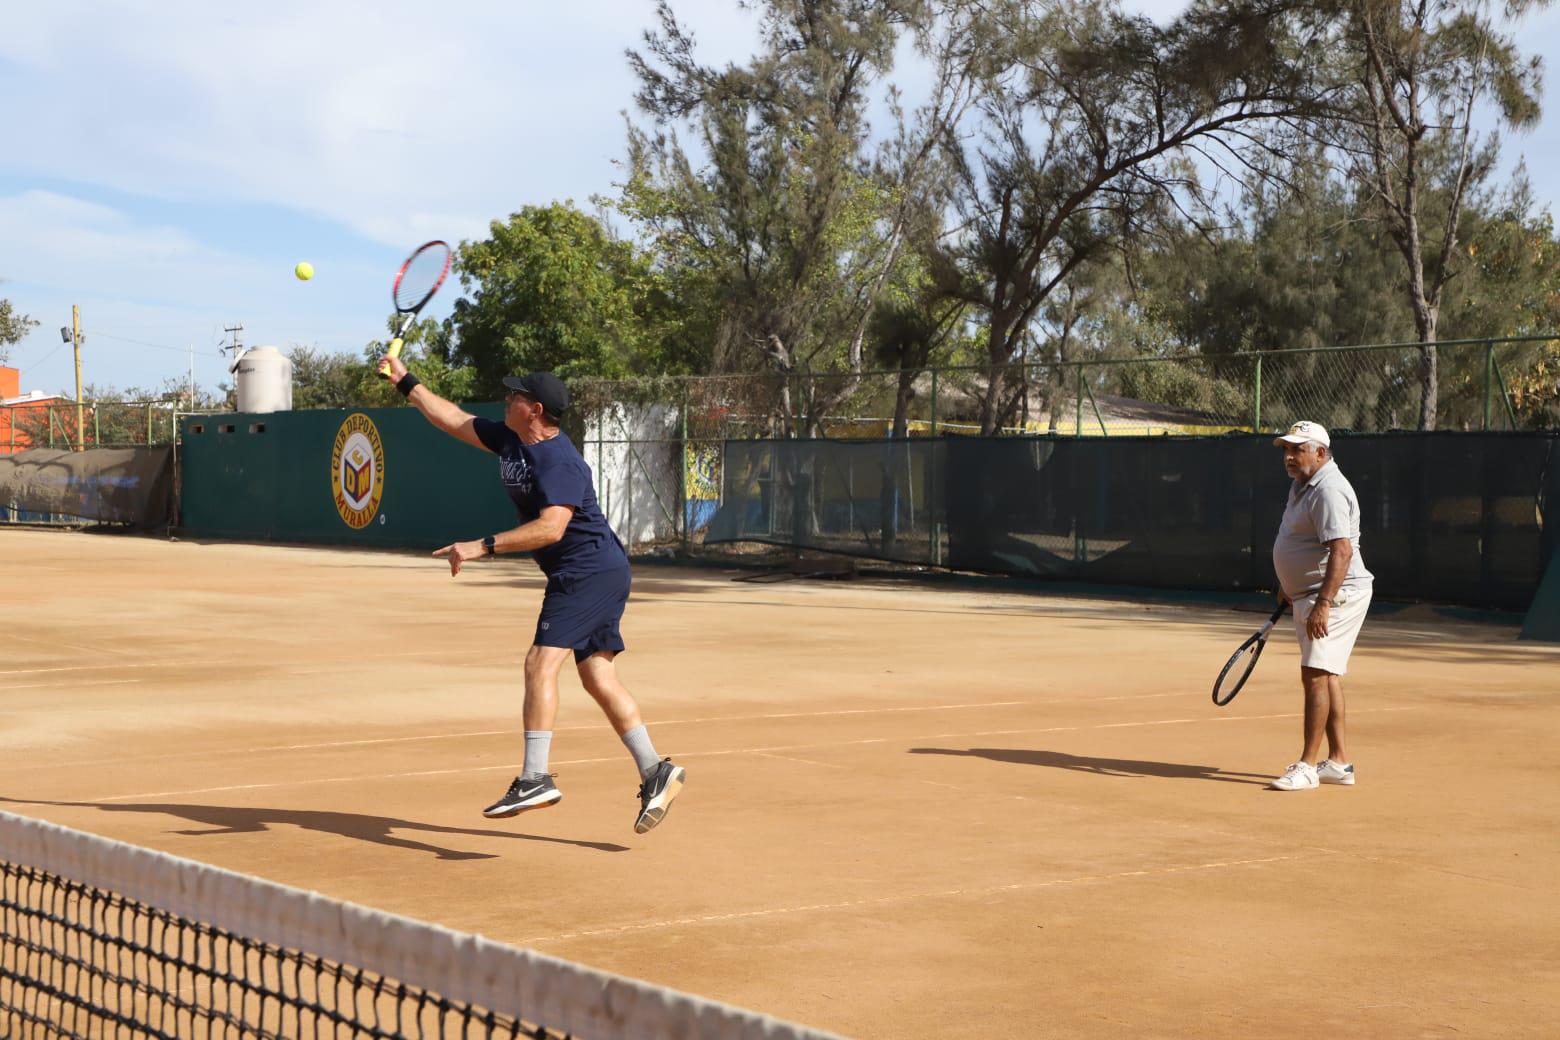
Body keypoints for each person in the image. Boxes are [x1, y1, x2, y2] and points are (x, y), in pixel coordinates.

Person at [380, 356, 685, 833]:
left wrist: (482, 546)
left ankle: (535, 777)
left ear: (535, 409)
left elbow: (552, 527)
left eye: (516, 396)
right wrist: (405, 381)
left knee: (539, 664)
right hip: (593, 570)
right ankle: (655, 770)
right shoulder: (511, 439)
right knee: (598, 676)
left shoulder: (558, 460)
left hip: (586, 571)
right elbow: (452, 419)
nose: (508, 399)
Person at [1268, 421, 1374, 791]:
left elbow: (1341, 551)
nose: (1289, 457)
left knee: (1314, 672)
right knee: (1326, 673)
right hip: (1310, 592)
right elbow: (1304, 544)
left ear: (1320, 452)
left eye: (1297, 450)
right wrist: (1289, 584)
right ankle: (1339, 763)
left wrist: (1323, 603)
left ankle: (1307, 766)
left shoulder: (1329, 489)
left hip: (1337, 593)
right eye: (1286, 450)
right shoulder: (1302, 485)